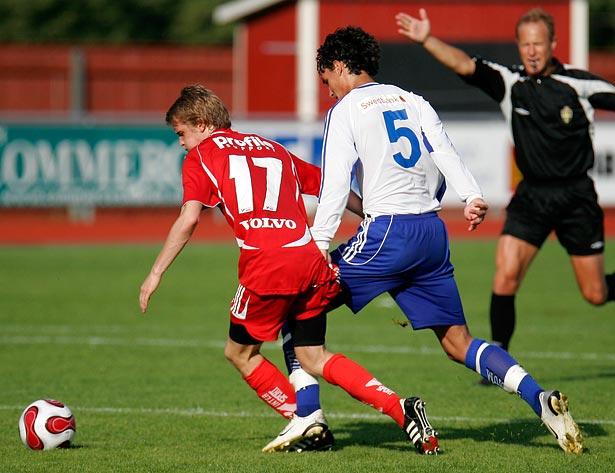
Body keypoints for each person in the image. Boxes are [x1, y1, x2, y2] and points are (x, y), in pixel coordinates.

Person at [303, 25, 584, 455]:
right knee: (459, 343)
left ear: (340, 67)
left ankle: (310, 418)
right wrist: (471, 194)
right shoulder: (414, 100)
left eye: (327, 80)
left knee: (297, 303)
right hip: (432, 235)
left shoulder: (346, 111)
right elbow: (445, 152)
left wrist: (320, 244)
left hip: (387, 236)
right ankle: (539, 398)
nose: (328, 91)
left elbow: (336, 184)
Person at [138, 84, 440, 455]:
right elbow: (333, 187)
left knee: (240, 354)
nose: (181, 143)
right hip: (311, 260)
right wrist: (377, 217)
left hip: (267, 266)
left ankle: (305, 418)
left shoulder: (201, 158)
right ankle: (400, 409)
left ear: (201, 124)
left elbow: (188, 219)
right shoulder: (272, 147)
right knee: (314, 355)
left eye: (181, 133)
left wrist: (155, 273)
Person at [395, 7, 615, 354]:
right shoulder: (510, 83)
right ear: (519, 47)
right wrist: (427, 38)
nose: (532, 51)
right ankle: (497, 358)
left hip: (576, 196)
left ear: (552, 43)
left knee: (594, 293)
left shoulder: (578, 84)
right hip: (531, 195)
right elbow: (464, 65)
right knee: (505, 273)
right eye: (525, 44)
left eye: (538, 43)